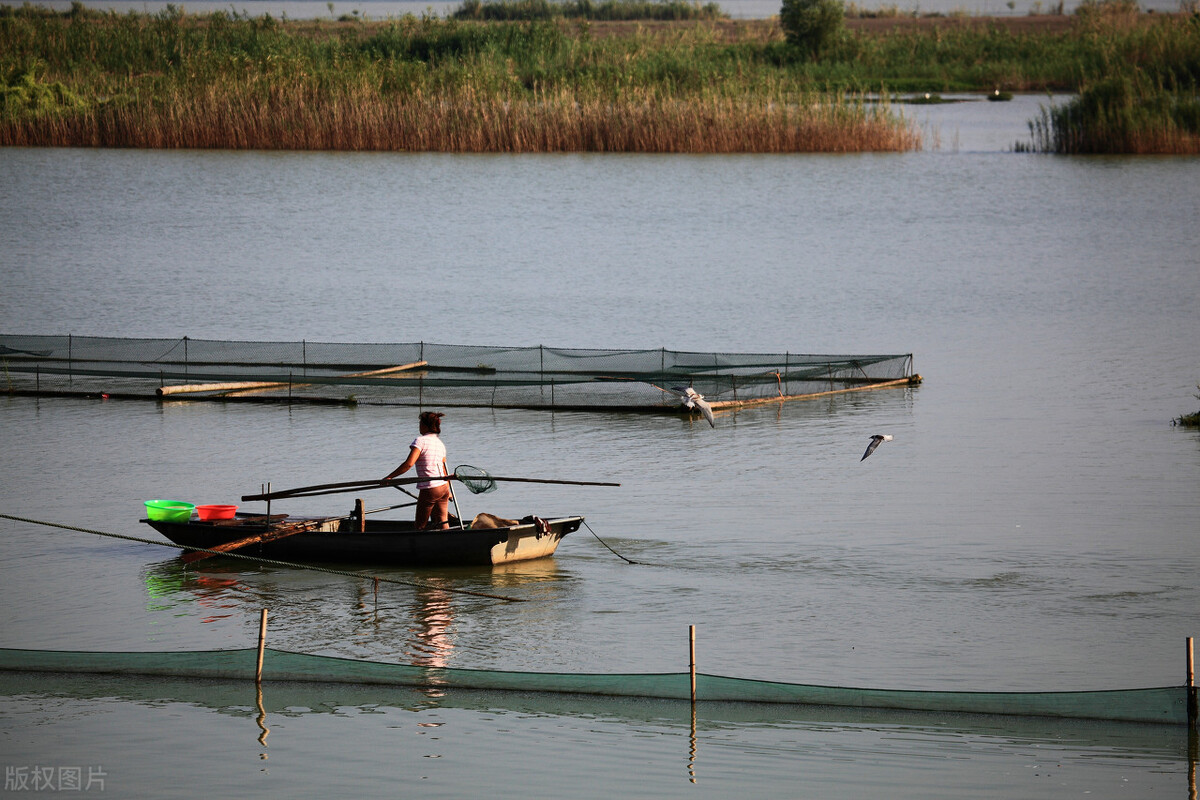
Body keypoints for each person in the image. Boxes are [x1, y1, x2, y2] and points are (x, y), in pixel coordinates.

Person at [383, 411, 454, 530]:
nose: (419, 426)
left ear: (426, 426)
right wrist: (449, 489)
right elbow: (443, 468)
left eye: (420, 423)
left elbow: (409, 464)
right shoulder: (439, 443)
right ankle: (448, 543)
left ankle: (417, 545)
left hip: (430, 487)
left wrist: (389, 477)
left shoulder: (420, 441)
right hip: (443, 487)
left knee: (420, 525)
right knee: (442, 521)